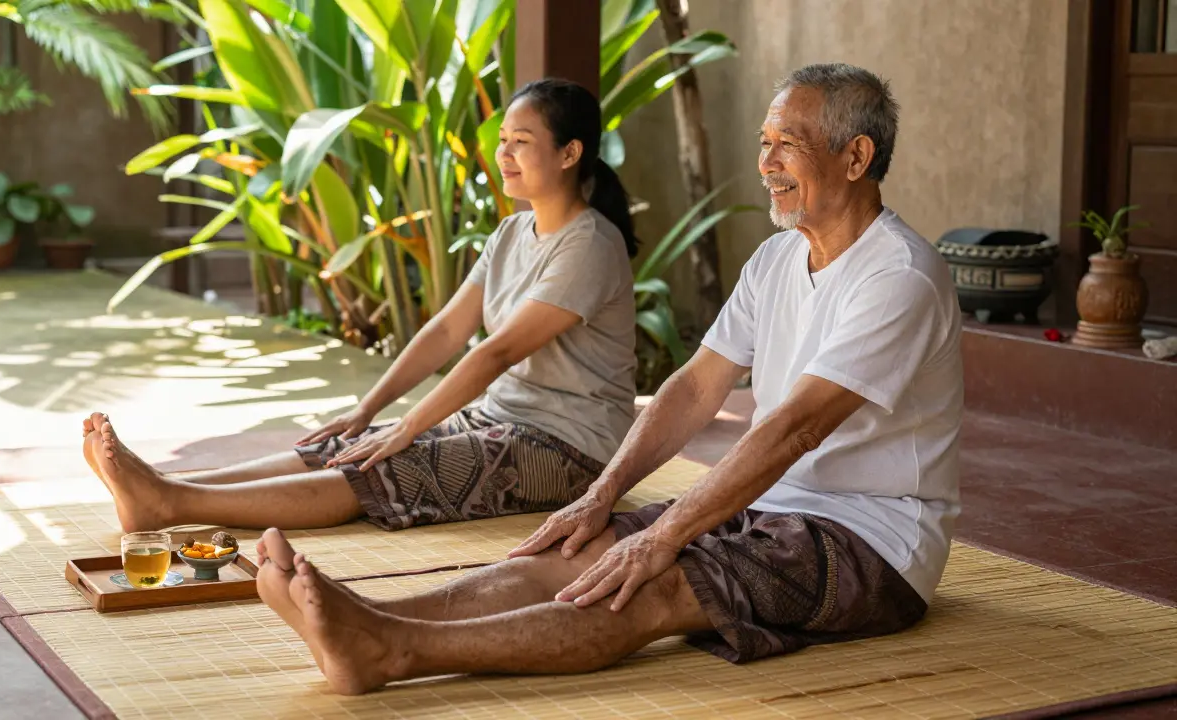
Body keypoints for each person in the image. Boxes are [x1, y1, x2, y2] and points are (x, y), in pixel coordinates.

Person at [252, 62, 965, 695]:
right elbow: (693, 388)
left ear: (856, 156)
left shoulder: (898, 276)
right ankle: (367, 618)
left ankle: (392, 651)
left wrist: (665, 535)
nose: (766, 163)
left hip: (868, 539)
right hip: (767, 503)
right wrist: (601, 495)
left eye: (787, 144)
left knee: (648, 585)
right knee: (572, 549)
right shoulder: (776, 260)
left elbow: (793, 429)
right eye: (764, 142)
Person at [80, 78, 640, 534]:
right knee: (347, 445)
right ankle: (167, 485)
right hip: (498, 419)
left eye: (521, 141)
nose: (504, 154)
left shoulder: (590, 245)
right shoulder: (512, 232)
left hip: (569, 448)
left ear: (569, 153)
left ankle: (169, 504)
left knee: (386, 464)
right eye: (503, 140)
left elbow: (497, 353)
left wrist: (408, 428)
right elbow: (448, 330)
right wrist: (368, 410)